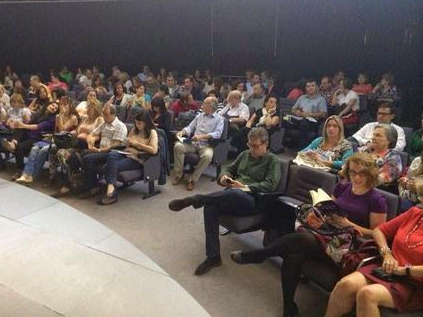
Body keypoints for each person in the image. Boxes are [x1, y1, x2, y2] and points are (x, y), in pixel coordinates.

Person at [231, 152, 388, 317]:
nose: (356, 177)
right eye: (352, 172)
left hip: (347, 247)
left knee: (303, 238)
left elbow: (376, 233)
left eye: (361, 173)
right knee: (293, 255)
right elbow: (329, 207)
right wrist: (319, 214)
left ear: (370, 173)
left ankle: (260, 254)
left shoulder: (376, 199)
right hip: (328, 234)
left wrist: (349, 224)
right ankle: (289, 307)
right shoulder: (343, 186)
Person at [169, 127, 281, 275]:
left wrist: (245, 187)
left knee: (236, 193)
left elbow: (270, 184)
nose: (252, 149)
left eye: (256, 146)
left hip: (253, 200)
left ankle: (196, 199)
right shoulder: (244, 154)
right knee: (210, 207)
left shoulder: (272, 160)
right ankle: (213, 257)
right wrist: (224, 178)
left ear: (266, 144)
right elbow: (228, 169)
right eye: (250, 145)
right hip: (232, 195)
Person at [325, 202, 423, 317]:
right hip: (388, 269)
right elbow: (379, 231)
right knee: (345, 285)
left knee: (367, 295)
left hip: (415, 282)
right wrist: (387, 253)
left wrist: (404, 270)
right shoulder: (415, 213)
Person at [101, 109, 158, 204]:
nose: (137, 125)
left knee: (109, 166)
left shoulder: (152, 132)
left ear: (146, 123)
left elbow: (154, 150)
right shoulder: (134, 129)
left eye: (139, 123)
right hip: (128, 153)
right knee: (112, 154)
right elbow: (127, 145)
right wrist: (128, 142)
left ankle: (111, 191)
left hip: (138, 159)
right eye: (136, 123)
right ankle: (111, 189)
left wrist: (138, 145)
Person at [16, 98, 78, 184]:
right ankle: (25, 174)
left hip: (65, 143)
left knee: (43, 150)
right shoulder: (57, 116)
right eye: (62, 105)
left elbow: (62, 130)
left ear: (70, 106)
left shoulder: (72, 117)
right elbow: (55, 132)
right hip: (53, 140)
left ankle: (32, 176)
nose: (63, 107)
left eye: (65, 104)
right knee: (34, 149)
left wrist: (59, 116)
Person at [50, 100, 104, 197]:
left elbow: (99, 134)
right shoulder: (85, 119)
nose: (88, 110)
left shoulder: (100, 119)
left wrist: (86, 132)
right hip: (77, 144)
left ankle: (69, 186)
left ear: (96, 109)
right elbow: (77, 131)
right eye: (87, 108)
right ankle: (70, 183)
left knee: (73, 155)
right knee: (63, 153)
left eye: (90, 108)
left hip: (89, 144)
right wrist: (70, 133)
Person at [171, 97, 224, 191]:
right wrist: (183, 132)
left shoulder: (219, 119)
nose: (202, 105)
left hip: (206, 145)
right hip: (193, 143)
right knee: (178, 146)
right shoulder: (199, 115)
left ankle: (193, 180)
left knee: (208, 156)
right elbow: (190, 127)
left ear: (211, 107)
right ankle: (179, 174)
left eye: (205, 104)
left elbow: (218, 134)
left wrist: (202, 136)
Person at [81, 105, 127, 199]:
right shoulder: (105, 123)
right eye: (103, 115)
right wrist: (91, 141)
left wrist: (98, 150)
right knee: (82, 154)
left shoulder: (120, 126)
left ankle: (93, 187)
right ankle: (88, 183)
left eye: (106, 115)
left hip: (111, 152)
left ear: (113, 114)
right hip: (100, 149)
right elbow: (92, 134)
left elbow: (114, 146)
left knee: (88, 158)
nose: (104, 117)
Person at [8, 101, 59, 180]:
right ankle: (13, 142)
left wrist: (23, 125)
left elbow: (38, 127)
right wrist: (16, 123)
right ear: (48, 104)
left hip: (37, 138)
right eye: (52, 105)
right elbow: (29, 122)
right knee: (18, 129)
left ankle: (20, 169)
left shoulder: (52, 119)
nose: (53, 108)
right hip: (28, 134)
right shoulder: (39, 113)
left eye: (56, 108)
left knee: (19, 147)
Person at [0, 93, 31, 171]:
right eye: (12, 102)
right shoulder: (10, 110)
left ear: (20, 102)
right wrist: (6, 122)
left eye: (15, 102)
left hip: (21, 133)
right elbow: (4, 121)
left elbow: (27, 124)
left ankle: (13, 143)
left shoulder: (24, 111)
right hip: (10, 131)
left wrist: (16, 123)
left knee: (18, 128)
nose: (13, 104)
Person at [286, 78, 327, 148]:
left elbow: (323, 114)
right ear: (305, 88)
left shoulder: (321, 99)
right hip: (299, 118)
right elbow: (293, 109)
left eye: (312, 86)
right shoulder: (302, 97)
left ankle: (303, 149)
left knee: (304, 123)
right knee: (286, 119)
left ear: (317, 87)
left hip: (313, 121)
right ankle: (284, 145)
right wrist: (297, 112)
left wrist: (310, 114)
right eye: (308, 86)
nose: (310, 88)